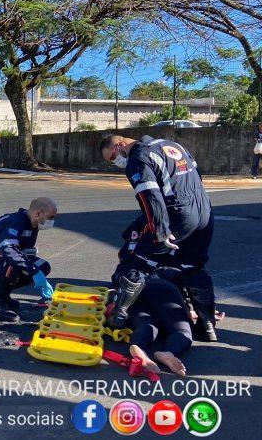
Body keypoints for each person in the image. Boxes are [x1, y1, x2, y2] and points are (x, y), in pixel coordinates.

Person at [99, 134, 217, 341]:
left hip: (177, 214)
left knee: (138, 260)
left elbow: (149, 196)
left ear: (119, 145)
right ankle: (207, 325)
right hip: (204, 212)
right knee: (193, 266)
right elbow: (197, 175)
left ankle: (119, 316)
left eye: (112, 158)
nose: (115, 162)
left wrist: (159, 231)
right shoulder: (172, 145)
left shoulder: (139, 157)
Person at [0, 197, 57, 322]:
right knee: (14, 260)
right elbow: (9, 250)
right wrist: (33, 270)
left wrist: (36, 269)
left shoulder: (33, 225)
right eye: (50, 217)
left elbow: (25, 252)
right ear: (38, 213)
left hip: (1, 254)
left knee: (43, 266)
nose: (52, 221)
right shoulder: (16, 221)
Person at [126, 271, 192, 377]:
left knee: (147, 325)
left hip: (134, 294)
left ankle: (140, 347)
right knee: (181, 331)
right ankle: (168, 352)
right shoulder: (173, 266)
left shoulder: (130, 263)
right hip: (164, 290)